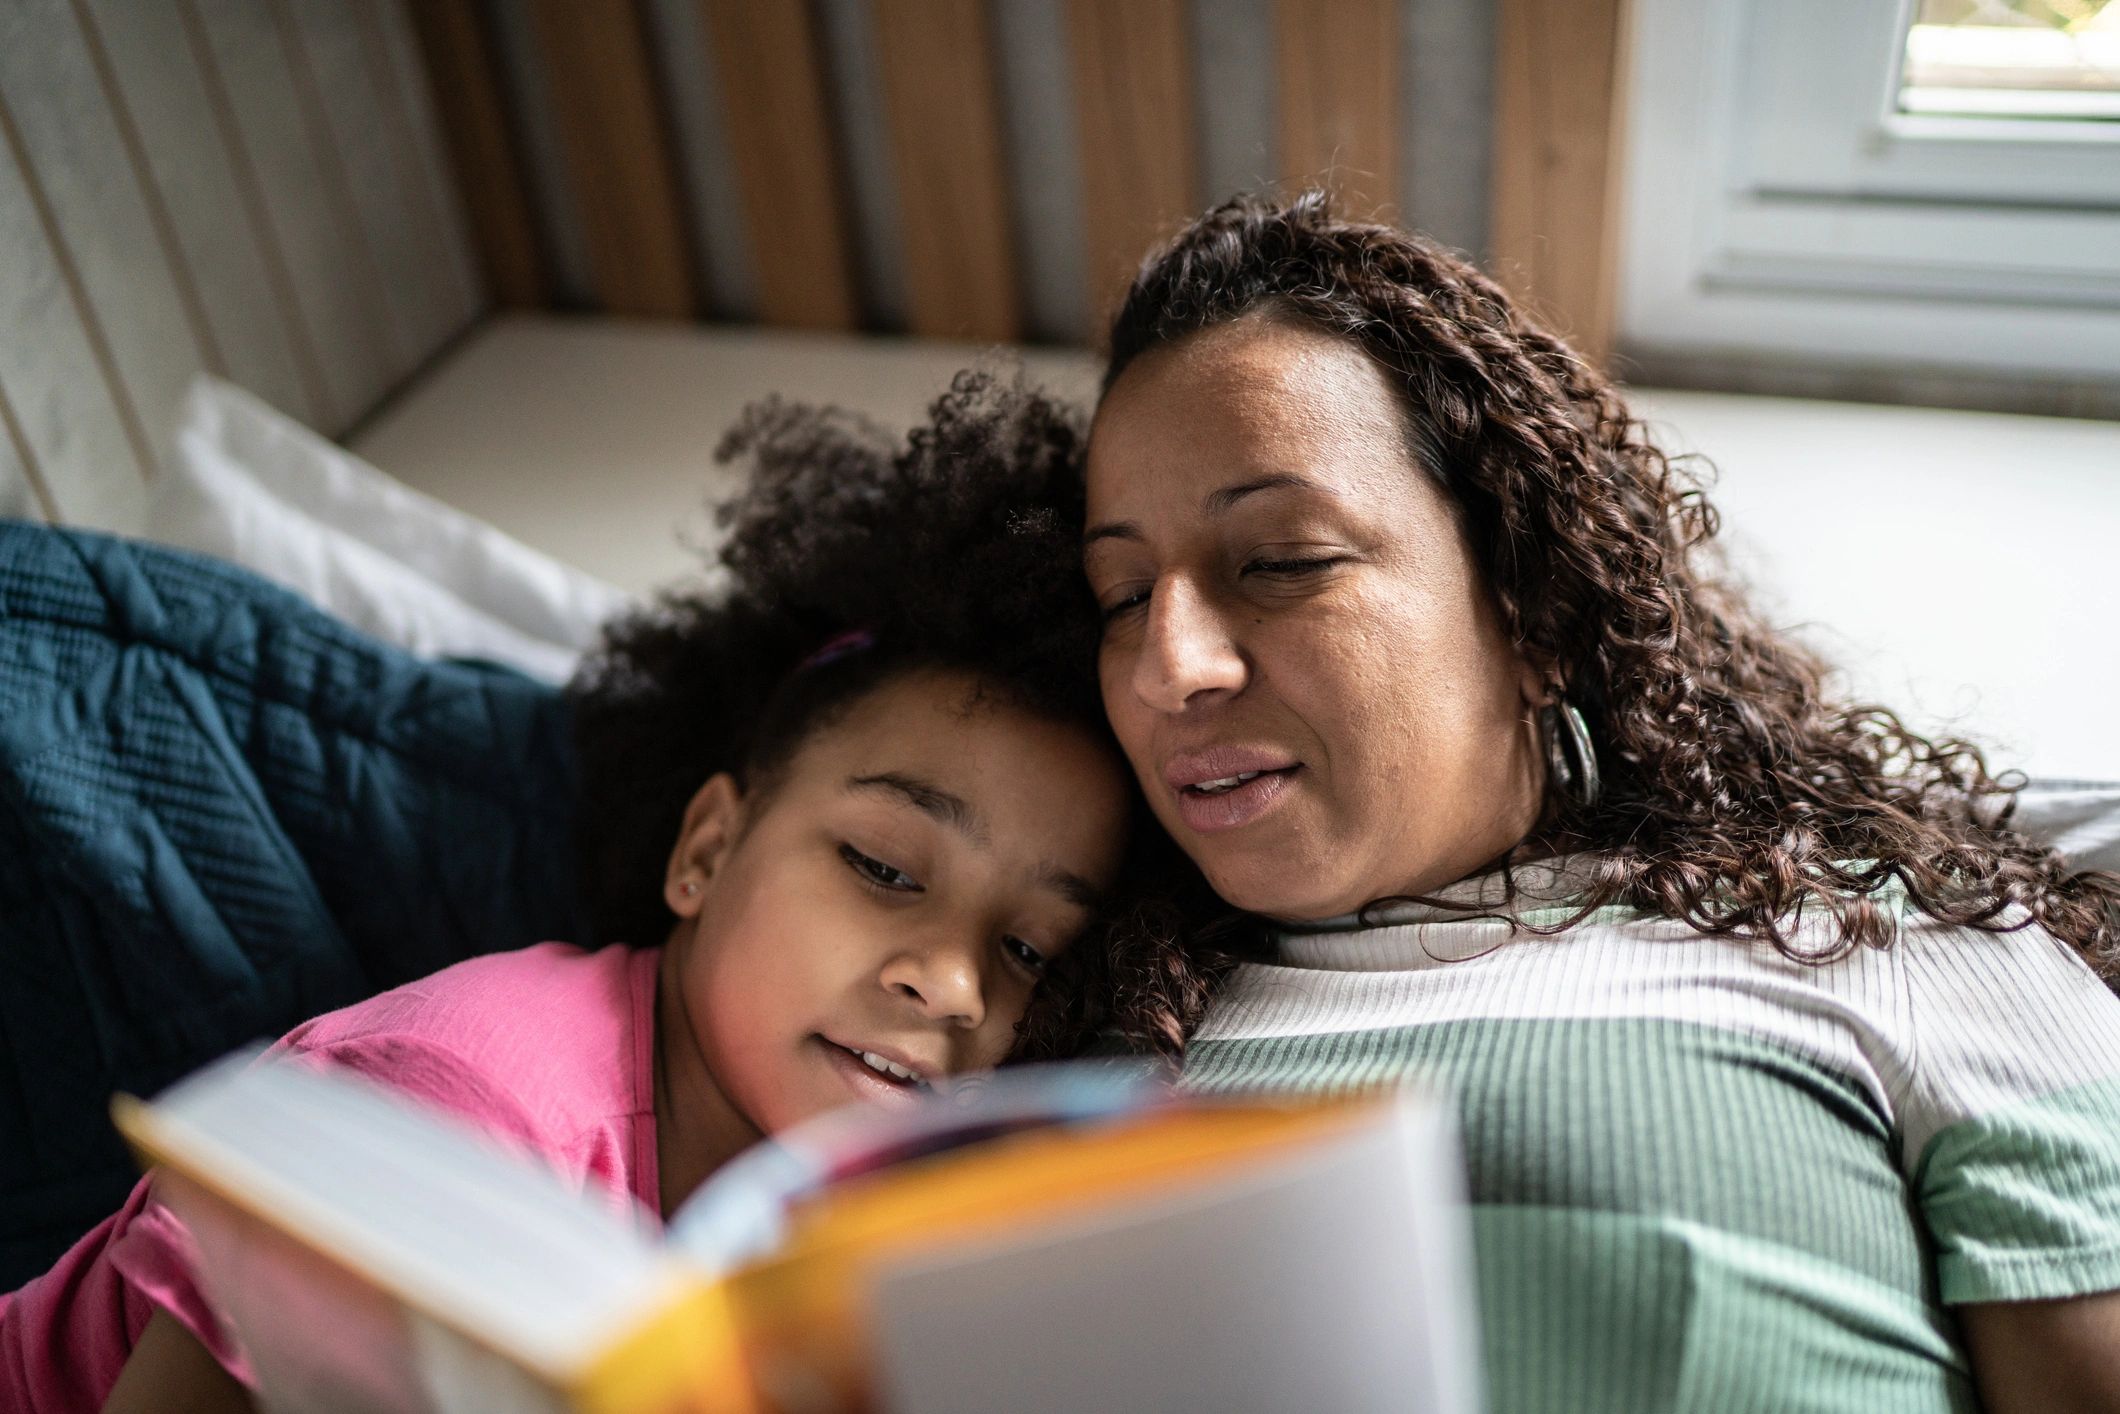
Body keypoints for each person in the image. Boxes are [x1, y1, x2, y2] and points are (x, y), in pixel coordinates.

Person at [1, 375, 1234, 1413]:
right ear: (704, 848)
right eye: (882, 868)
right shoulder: (456, 1110)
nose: (952, 981)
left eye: (1027, 948)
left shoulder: (846, 1241)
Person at [1078, 192, 2120, 1412]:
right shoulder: (1091, 1028)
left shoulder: (1892, 939)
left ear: (1534, 616)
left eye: (1282, 561)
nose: (1168, 666)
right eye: (1119, 594)